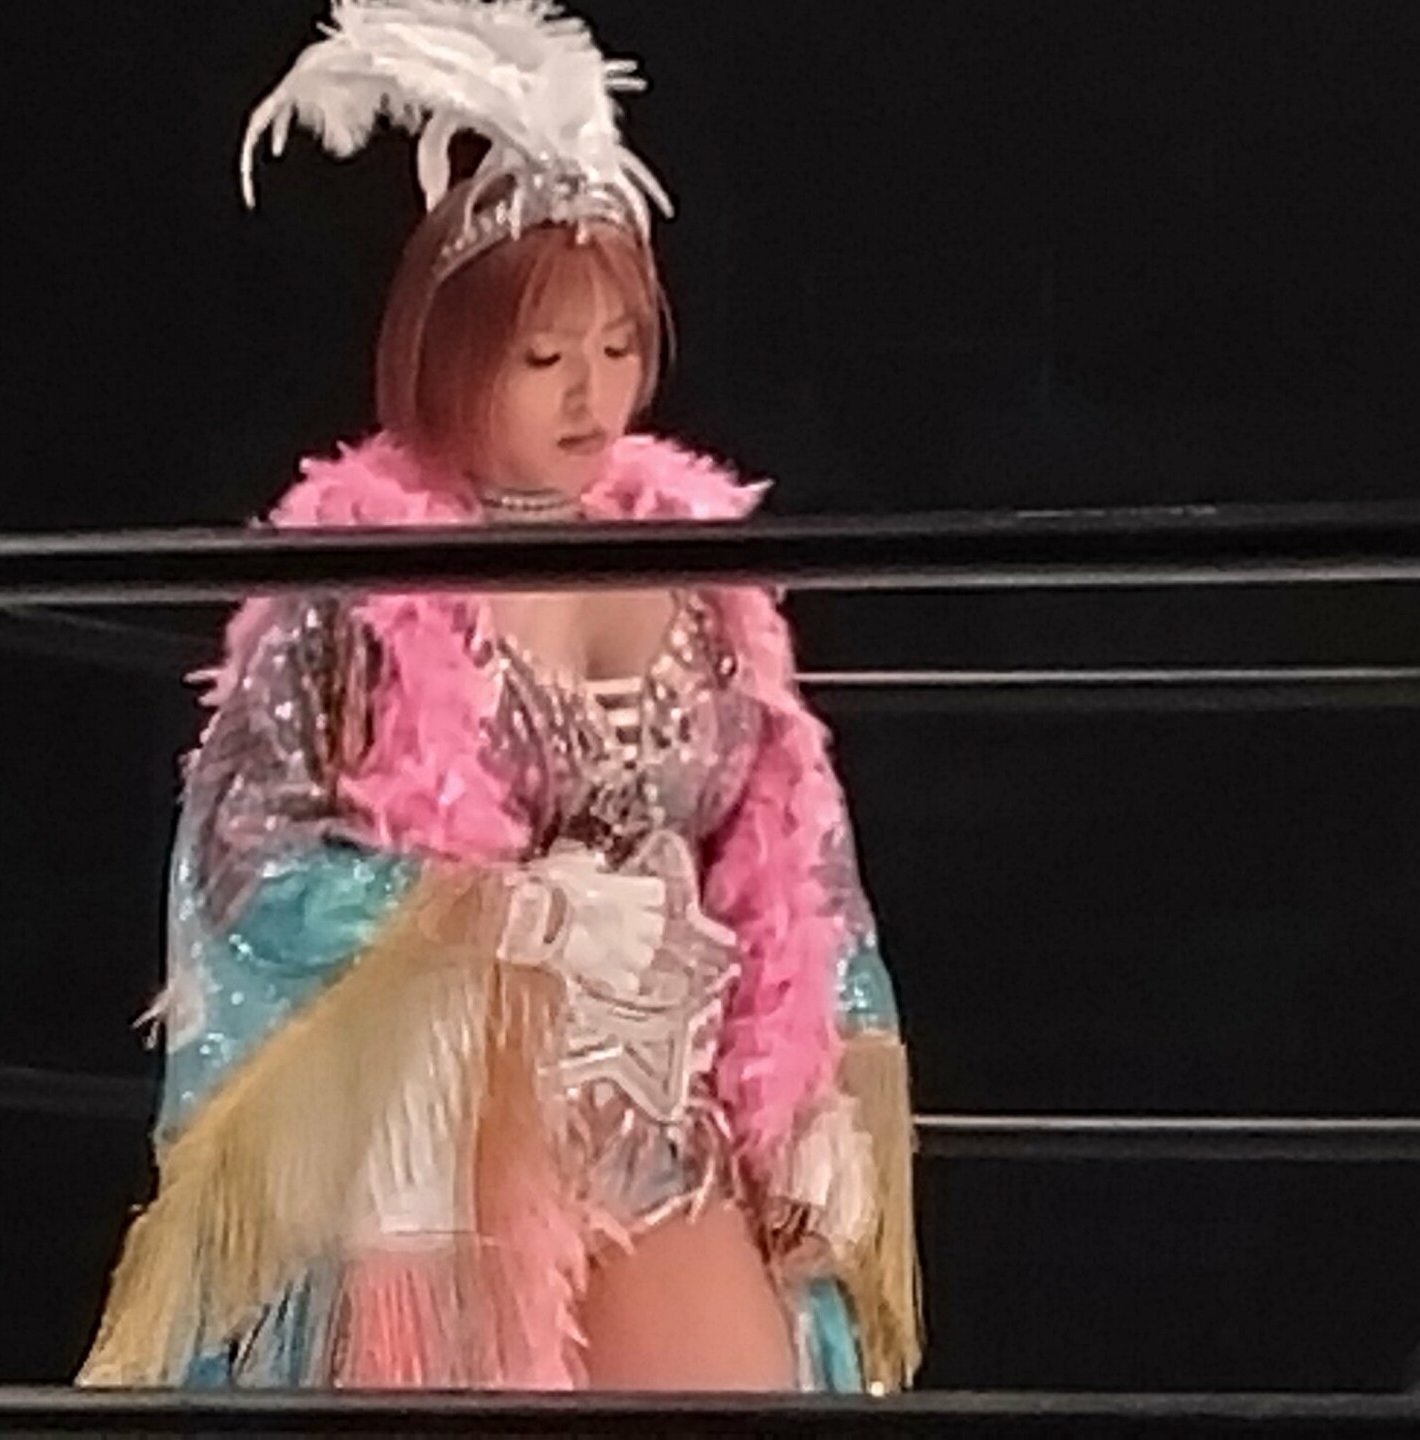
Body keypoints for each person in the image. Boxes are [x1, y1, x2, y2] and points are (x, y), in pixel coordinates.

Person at [77, 0, 918, 1394]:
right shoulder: (354, 583)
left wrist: (823, 1084)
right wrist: (495, 912)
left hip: (671, 1124)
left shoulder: (705, 574)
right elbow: (247, 861)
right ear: (452, 355)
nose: (595, 394)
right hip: (452, 1140)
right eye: (546, 358)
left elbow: (798, 854)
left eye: (620, 348)